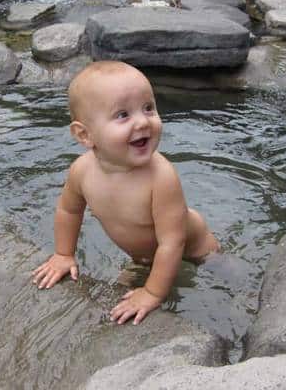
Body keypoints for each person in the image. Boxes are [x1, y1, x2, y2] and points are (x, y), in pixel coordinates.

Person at [32, 60, 221, 325]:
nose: (143, 121)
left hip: (196, 250)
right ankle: (144, 272)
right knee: (119, 298)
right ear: (85, 135)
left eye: (148, 107)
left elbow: (172, 243)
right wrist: (64, 254)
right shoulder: (82, 171)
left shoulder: (161, 177)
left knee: (222, 279)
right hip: (143, 257)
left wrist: (152, 293)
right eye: (123, 114)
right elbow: (68, 210)